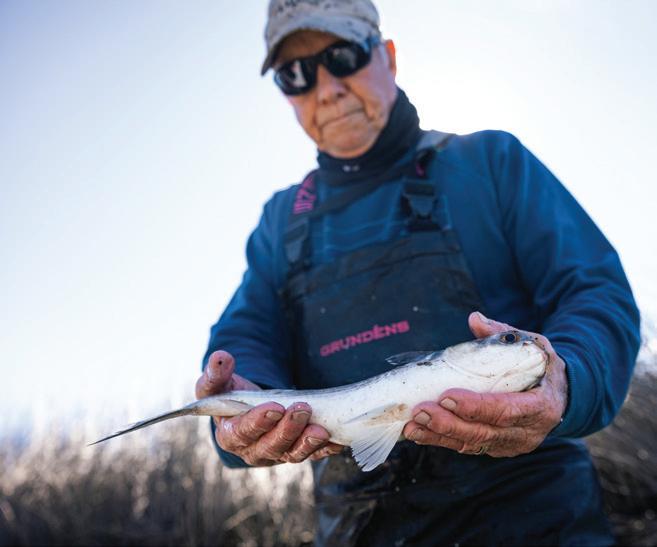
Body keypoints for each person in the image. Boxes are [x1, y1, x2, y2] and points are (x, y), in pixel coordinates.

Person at [195, 1, 641, 544]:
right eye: (296, 74)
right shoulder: (280, 222)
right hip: (358, 528)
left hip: (539, 521)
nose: (326, 89)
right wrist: (240, 407)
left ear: (387, 56)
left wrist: (568, 380)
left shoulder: (490, 162)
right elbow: (244, 342)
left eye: (343, 56)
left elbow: (595, 292)